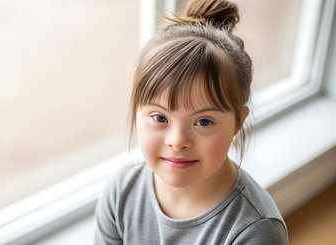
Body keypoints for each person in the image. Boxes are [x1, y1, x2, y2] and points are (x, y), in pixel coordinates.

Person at [94, 0, 288, 244]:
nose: (177, 141)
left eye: (203, 122)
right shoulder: (121, 192)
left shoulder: (255, 231)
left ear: (238, 122)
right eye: (160, 117)